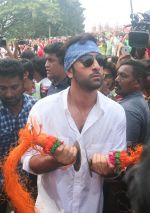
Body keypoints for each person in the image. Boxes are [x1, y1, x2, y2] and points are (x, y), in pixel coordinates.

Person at [22, 33, 126, 213]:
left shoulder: (116, 113)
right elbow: (28, 162)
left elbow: (118, 165)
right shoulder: (43, 109)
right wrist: (55, 160)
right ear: (69, 70)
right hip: (49, 208)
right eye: (87, 61)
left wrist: (107, 168)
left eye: (99, 60)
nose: (96, 67)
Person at [0, 58, 36, 212]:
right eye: (2, 88)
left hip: (32, 182)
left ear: (24, 81)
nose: (8, 94)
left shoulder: (35, 108)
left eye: (14, 87)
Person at [115, 59, 150, 146]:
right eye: (117, 75)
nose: (116, 79)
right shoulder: (138, 101)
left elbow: (126, 151)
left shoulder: (128, 110)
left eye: (123, 76)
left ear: (137, 82)